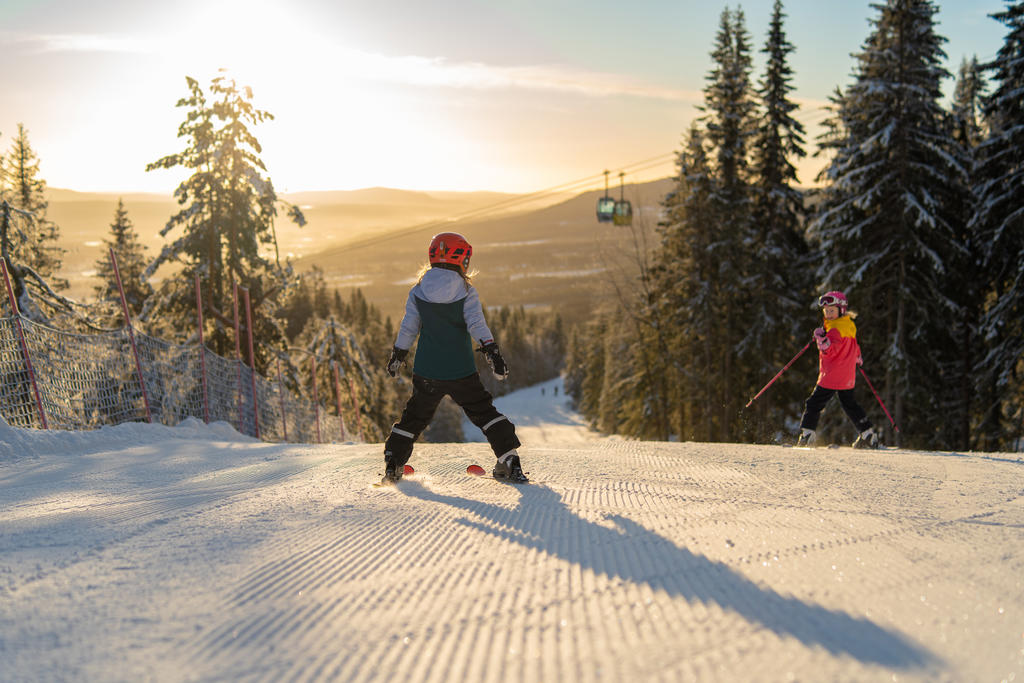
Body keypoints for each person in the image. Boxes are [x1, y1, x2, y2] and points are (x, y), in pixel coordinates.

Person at [381, 232, 527, 483]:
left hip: (427, 370)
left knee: (415, 416)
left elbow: (409, 327)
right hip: (460, 370)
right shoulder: (467, 292)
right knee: (483, 412)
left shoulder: (417, 292)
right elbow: (477, 325)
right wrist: (492, 352)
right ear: (461, 258)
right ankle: (509, 459)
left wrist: (398, 354)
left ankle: (394, 461)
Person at [796, 291, 880, 449]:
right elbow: (853, 345)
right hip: (847, 375)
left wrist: (822, 341)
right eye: (826, 311)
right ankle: (868, 434)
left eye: (832, 311)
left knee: (814, 403)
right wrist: (857, 357)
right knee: (850, 404)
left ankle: (807, 434)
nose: (828, 314)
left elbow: (831, 349)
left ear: (841, 310)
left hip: (832, 375)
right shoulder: (849, 325)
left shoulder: (834, 329)